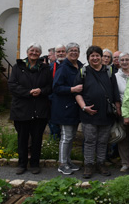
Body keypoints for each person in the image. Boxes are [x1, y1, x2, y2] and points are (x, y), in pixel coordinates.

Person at [74, 46, 121, 178]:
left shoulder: (109, 71)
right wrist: (84, 107)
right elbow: (77, 94)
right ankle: (88, 165)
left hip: (106, 114)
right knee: (89, 141)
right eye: (92, 56)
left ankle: (101, 163)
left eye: (97, 55)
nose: (95, 58)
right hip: (88, 114)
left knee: (103, 141)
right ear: (88, 58)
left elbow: (115, 92)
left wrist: (117, 108)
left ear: (101, 57)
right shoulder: (84, 71)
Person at [9, 43, 53, 175]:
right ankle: (22, 164)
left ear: (40, 54)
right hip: (22, 109)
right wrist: (28, 92)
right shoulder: (18, 67)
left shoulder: (45, 68)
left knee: (37, 138)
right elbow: (12, 85)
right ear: (27, 52)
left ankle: (35, 164)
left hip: (39, 110)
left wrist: (41, 91)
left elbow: (50, 87)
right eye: (32, 50)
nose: (34, 53)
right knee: (22, 138)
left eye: (37, 51)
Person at [51, 42, 83, 175]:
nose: (74, 52)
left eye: (76, 50)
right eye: (71, 51)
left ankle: (68, 161)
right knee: (66, 136)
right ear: (67, 52)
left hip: (75, 107)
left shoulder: (80, 66)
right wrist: (72, 89)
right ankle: (62, 163)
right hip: (64, 107)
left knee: (71, 136)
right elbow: (56, 88)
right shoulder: (63, 68)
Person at [115, 52, 129, 172]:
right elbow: (115, 94)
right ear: (119, 62)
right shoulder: (115, 76)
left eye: (127, 60)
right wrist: (119, 108)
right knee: (123, 138)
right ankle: (125, 162)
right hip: (123, 110)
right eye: (122, 60)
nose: (124, 62)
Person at [48, 43, 67, 140]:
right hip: (53, 100)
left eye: (63, 51)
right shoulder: (50, 67)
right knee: (53, 126)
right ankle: (54, 146)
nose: (61, 53)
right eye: (58, 52)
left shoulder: (71, 65)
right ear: (55, 54)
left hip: (67, 100)